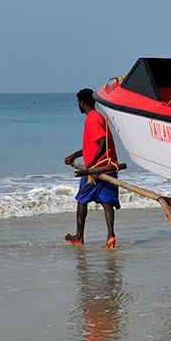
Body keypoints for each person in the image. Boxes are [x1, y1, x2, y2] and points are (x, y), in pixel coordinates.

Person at [64, 88, 120, 249]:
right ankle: (111, 236)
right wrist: (74, 155)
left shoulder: (92, 120)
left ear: (82, 103)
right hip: (109, 167)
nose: (78, 106)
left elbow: (102, 142)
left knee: (82, 199)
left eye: (78, 103)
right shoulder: (98, 117)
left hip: (95, 171)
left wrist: (91, 164)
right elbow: (92, 145)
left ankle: (79, 236)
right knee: (106, 201)